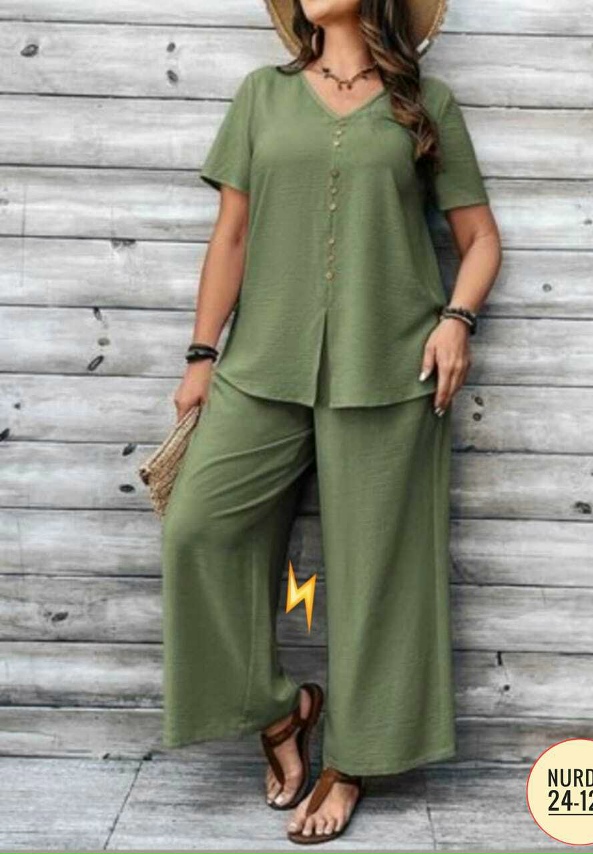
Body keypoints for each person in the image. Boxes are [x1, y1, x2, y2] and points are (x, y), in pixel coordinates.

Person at [160, 0, 502, 844]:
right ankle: (281, 713)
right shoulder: (262, 95)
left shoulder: (424, 104)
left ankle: (351, 764)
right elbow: (232, 235)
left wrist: (456, 320)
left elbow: (481, 239)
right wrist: (201, 357)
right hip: (261, 365)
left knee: (379, 575)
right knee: (197, 527)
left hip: (392, 369)